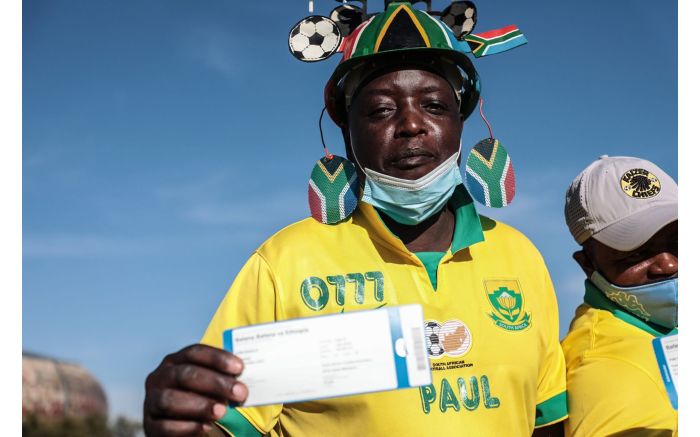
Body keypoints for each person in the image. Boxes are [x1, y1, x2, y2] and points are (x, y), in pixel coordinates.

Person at [143, 3, 568, 436]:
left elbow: (548, 420)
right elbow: (226, 422)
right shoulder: (286, 261)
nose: (411, 125)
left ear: (462, 122)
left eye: (435, 106)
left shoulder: (521, 257)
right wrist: (182, 418)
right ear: (347, 132)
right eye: (381, 110)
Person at [561, 155, 678, 436]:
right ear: (587, 265)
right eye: (636, 253)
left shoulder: (651, 325)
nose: (669, 264)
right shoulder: (606, 371)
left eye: (679, 241)